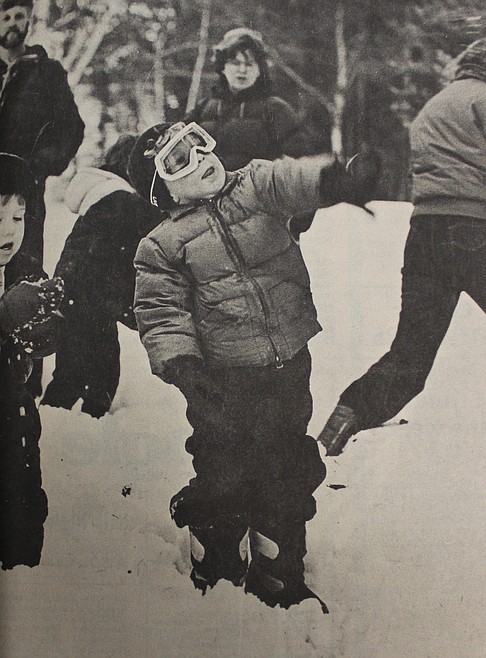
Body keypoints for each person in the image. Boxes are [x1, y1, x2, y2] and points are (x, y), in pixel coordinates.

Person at [128, 121, 379, 609]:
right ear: (163, 191)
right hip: (222, 381)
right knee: (224, 465)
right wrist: (184, 367)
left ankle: (278, 564)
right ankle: (215, 551)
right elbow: (160, 311)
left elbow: (289, 180)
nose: (200, 158)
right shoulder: (161, 245)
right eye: (178, 159)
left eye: (198, 143)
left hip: (288, 364)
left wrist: (332, 180)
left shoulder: (252, 186)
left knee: (287, 463)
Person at [319, 37, 486, 457]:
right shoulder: (482, 100)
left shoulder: (437, 105)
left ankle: (343, 420)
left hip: (424, 234)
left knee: (410, 355)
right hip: (473, 230)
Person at [41, 135, 163, 418]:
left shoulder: (99, 199)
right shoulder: (125, 202)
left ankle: (50, 416)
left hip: (71, 292)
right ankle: (93, 419)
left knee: (69, 369)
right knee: (103, 370)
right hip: (93, 299)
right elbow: (155, 228)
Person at [186, 27, 320, 239]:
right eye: (235, 62)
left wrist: (294, 222)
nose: (242, 70)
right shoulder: (204, 109)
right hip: (208, 224)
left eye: (250, 64)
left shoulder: (276, 110)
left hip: (259, 225)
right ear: (222, 66)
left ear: (260, 70)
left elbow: (300, 170)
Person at [0, 153, 63, 570]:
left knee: (23, 512)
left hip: (16, 423)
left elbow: (42, 341)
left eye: (18, 218)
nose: (8, 230)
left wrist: (43, 332)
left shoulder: (23, 270)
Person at [0, 0, 85, 263]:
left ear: (29, 20)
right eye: (5, 18)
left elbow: (71, 127)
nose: (12, 24)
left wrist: (38, 167)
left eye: (19, 16)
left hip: (24, 192)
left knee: (22, 265)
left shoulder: (47, 72)